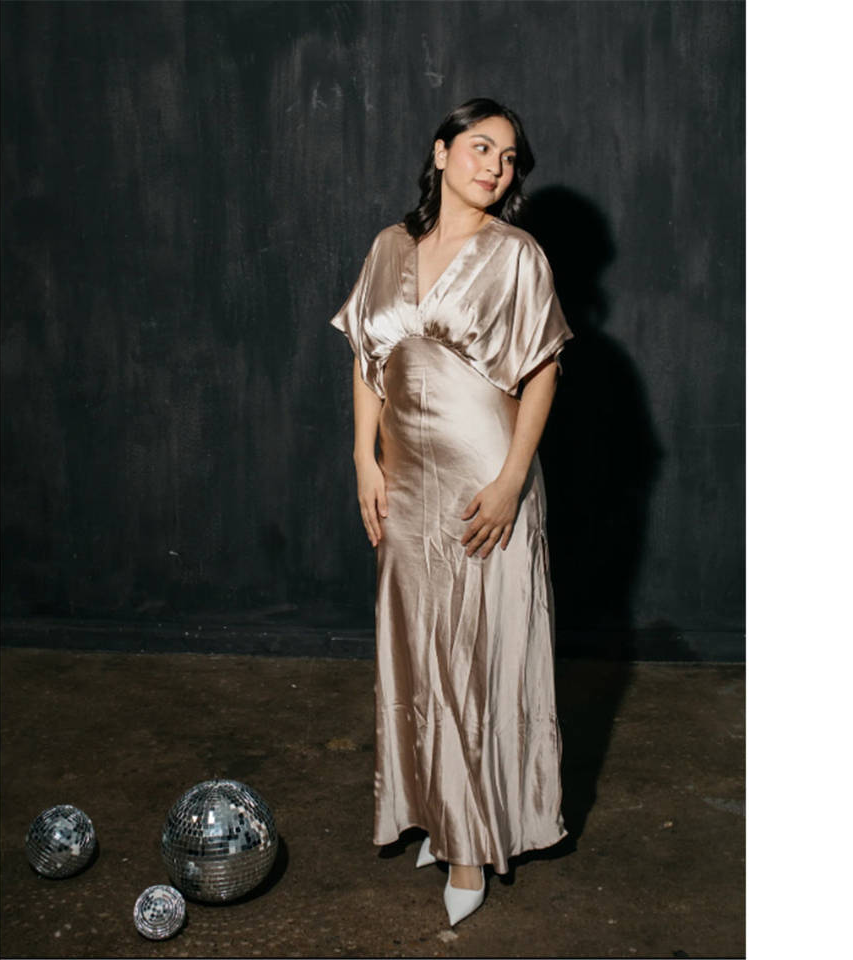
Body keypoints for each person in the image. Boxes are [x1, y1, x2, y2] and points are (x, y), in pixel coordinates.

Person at [329, 97, 574, 927]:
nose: (495, 167)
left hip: (483, 478)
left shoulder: (517, 255)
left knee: (477, 656)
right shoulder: (388, 248)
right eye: (480, 147)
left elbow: (543, 370)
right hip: (404, 484)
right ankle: (436, 809)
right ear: (440, 153)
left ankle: (471, 842)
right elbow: (368, 357)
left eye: (508, 158)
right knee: (418, 652)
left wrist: (512, 480)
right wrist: (363, 459)